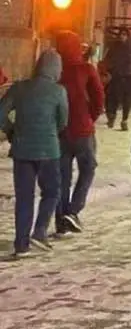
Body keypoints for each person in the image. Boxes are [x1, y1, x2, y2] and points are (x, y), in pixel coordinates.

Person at [0, 50, 68, 255]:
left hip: (22, 150)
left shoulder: (19, 88)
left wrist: (11, 130)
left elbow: (0, 114)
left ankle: (21, 244)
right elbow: (63, 121)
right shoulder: (58, 91)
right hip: (49, 150)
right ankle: (40, 231)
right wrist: (50, 133)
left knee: (24, 197)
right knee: (52, 191)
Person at [54, 31, 105, 234]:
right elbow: (98, 96)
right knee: (88, 167)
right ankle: (73, 211)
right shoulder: (86, 69)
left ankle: (61, 217)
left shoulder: (54, 71)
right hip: (83, 129)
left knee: (63, 175)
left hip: (59, 131)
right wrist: (90, 117)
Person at [103, 28, 131, 131]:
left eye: (124, 34)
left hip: (128, 76)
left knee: (127, 99)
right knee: (114, 97)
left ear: (128, 36)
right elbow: (107, 58)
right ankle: (112, 116)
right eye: (121, 34)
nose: (122, 36)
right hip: (116, 75)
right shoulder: (114, 47)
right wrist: (109, 68)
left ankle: (124, 120)